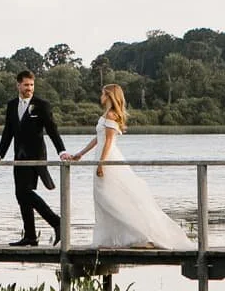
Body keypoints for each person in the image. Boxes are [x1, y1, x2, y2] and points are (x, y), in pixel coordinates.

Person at [70, 84, 193, 249]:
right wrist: (81, 153)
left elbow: (108, 142)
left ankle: (140, 234)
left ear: (109, 96)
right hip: (100, 156)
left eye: (103, 94)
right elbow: (98, 138)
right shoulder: (105, 115)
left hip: (107, 158)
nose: (101, 96)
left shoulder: (112, 116)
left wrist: (102, 163)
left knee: (110, 198)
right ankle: (110, 237)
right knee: (101, 198)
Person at [0, 70, 70, 246]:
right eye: (26, 85)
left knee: (25, 192)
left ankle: (57, 222)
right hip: (18, 157)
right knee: (20, 195)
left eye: (32, 85)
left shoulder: (42, 105)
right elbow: (8, 132)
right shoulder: (12, 105)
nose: (29, 88)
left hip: (36, 157)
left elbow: (52, 130)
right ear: (18, 85)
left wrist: (62, 151)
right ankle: (30, 236)